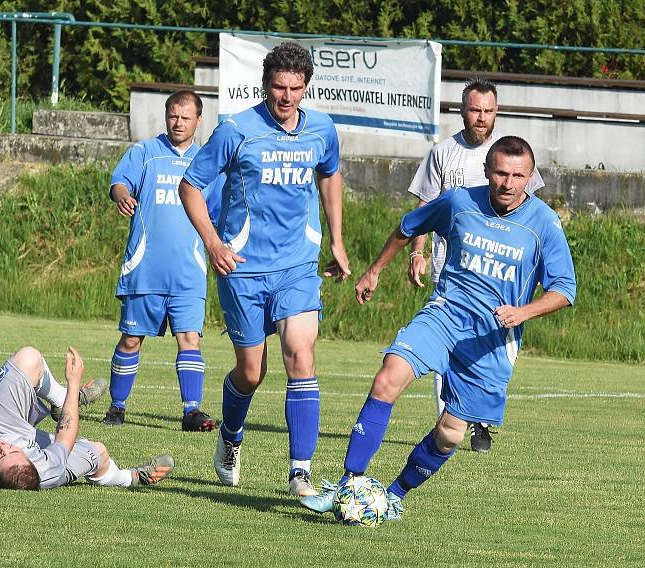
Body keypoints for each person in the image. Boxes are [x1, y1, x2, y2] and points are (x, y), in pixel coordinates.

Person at [301, 136, 576, 520]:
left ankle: (394, 495)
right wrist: (375, 270)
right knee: (388, 377)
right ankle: (350, 483)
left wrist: (524, 312)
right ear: (486, 171)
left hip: (491, 341)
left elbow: (564, 289)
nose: (508, 184)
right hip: (445, 315)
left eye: (518, 176)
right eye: (500, 173)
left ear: (531, 178)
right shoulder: (460, 202)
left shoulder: (543, 224)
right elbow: (408, 226)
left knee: (450, 433)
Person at [178, 42, 351, 497]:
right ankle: (231, 436)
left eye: (296, 88)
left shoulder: (322, 130)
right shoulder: (237, 130)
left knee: (300, 353)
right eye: (279, 87)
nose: (287, 96)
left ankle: (300, 471)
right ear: (265, 85)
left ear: (306, 87)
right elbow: (190, 186)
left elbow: (330, 174)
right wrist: (213, 242)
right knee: (251, 371)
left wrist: (336, 239)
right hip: (243, 269)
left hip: (297, 267)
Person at [406, 77, 545, 452]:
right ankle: (447, 421)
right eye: (474, 110)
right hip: (450, 268)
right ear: (461, 110)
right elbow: (425, 207)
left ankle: (479, 421)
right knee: (447, 343)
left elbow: (531, 214)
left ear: (496, 112)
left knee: (488, 345)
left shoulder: (512, 156)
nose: (481, 117)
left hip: (501, 275)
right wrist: (416, 252)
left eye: (488, 110)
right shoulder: (443, 153)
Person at [0, 346, 174, 490]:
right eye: (7, 452)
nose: (2, 447)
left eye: (0, 454)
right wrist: (74, 383)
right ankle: (131, 478)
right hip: (35, 446)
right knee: (97, 450)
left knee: (30, 358)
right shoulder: (48, 468)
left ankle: (62, 399)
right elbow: (66, 434)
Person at [103, 90, 221, 432]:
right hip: (145, 269)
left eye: (186, 117)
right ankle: (117, 406)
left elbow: (217, 214)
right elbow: (119, 183)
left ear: (199, 120)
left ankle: (191, 412)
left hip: (189, 272)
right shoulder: (145, 153)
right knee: (130, 339)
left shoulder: (207, 163)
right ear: (166, 116)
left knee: (190, 339)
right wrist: (123, 195)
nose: (178, 122)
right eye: (173, 115)